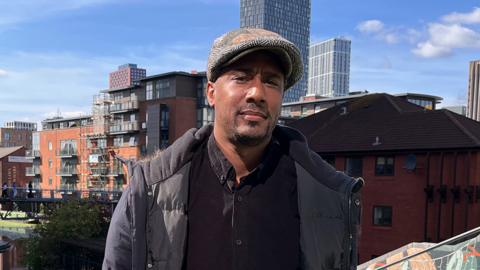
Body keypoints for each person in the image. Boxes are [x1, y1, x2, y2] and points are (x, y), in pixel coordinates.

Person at [103, 28, 364, 270]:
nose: (257, 93)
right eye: (241, 77)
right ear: (211, 93)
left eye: (272, 82)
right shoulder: (148, 191)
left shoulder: (328, 195)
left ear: (282, 97)